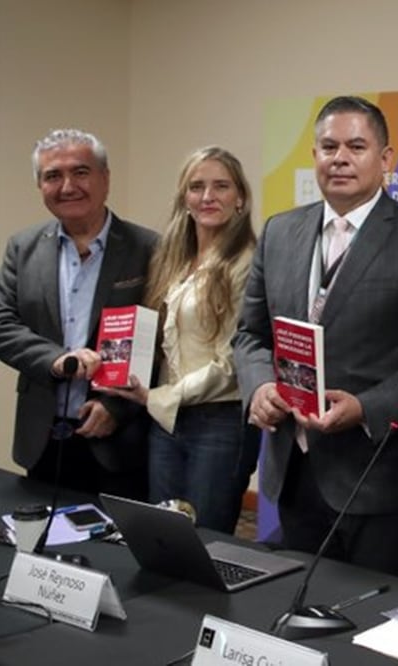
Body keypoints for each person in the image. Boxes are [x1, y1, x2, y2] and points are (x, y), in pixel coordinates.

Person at [233, 95, 398, 578]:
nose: (340, 158)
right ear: (313, 155)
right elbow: (250, 334)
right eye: (328, 146)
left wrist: (365, 408)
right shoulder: (279, 232)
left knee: (370, 616)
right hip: (294, 472)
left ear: (385, 158)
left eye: (356, 147)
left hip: (378, 480)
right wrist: (259, 386)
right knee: (299, 604)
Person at [0, 128, 159, 499]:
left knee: (117, 535)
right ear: (39, 186)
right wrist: (57, 359)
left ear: (105, 178)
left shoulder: (148, 248)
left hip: (119, 439)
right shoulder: (23, 247)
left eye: (80, 172)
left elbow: (161, 341)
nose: (67, 186)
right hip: (42, 432)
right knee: (42, 532)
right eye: (52, 176)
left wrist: (116, 407)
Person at [96, 147, 259, 532]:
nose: (208, 196)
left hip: (220, 422)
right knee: (163, 533)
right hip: (165, 421)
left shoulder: (248, 262)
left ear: (240, 197)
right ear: (184, 198)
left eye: (221, 186)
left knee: (206, 539)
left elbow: (232, 361)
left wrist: (157, 397)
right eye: (196, 187)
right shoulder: (172, 259)